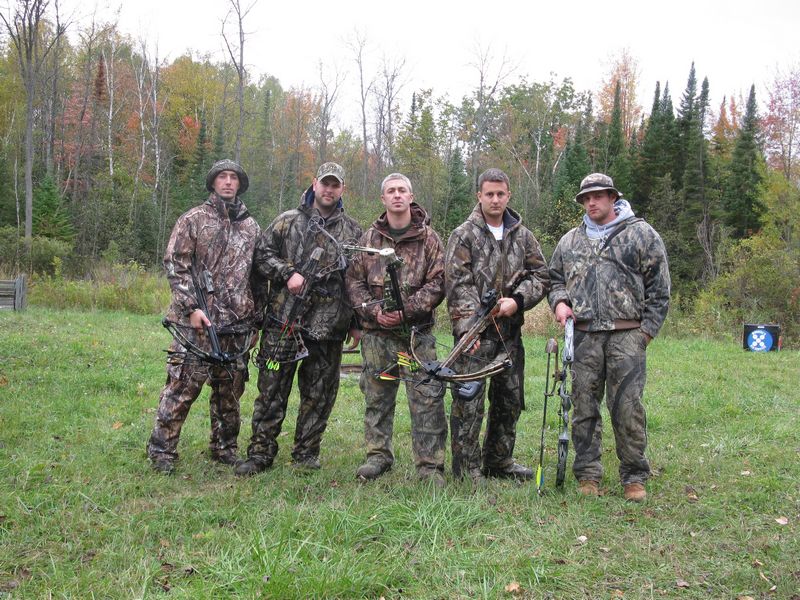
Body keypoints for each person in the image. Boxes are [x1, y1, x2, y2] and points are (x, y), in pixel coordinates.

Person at [548, 172, 670, 502]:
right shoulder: (569, 241)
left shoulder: (641, 234)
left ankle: (634, 476)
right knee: (583, 407)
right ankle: (588, 474)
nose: (592, 202)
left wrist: (645, 333)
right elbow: (554, 280)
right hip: (584, 337)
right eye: (586, 198)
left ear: (613, 197)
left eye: (598, 196)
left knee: (627, 408)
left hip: (627, 335)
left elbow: (660, 290)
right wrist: (559, 303)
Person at [235, 162, 362, 475]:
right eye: (325, 183)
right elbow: (261, 256)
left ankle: (306, 453)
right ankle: (260, 453)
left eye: (335, 185)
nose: (329, 190)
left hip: (328, 328)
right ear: (314, 184)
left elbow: (358, 279)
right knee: (271, 390)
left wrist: (356, 323)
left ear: (342, 189)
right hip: (284, 322)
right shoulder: (287, 221)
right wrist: (287, 272)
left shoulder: (352, 231)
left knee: (319, 395)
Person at [147, 159, 261, 474]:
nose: (228, 182)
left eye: (233, 177)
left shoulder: (251, 227)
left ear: (240, 184)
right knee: (182, 387)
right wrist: (191, 308)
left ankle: (224, 448)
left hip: (236, 325)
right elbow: (176, 264)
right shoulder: (194, 219)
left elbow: (256, 277)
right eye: (222, 177)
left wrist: (256, 321)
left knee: (230, 393)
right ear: (213, 182)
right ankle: (162, 451)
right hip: (195, 324)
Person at [445, 167, 550, 484]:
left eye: (500, 194)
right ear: (479, 195)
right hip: (475, 337)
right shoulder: (463, 235)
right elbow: (457, 283)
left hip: (510, 336)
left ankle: (499, 461)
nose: (495, 199)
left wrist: (517, 301)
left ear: (508, 195)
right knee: (469, 403)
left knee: (509, 401)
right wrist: (469, 327)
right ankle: (467, 469)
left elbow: (541, 275)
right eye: (489, 194)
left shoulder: (523, 235)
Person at [345, 173, 447, 487]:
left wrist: (407, 310)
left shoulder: (429, 239)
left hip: (416, 336)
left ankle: (429, 465)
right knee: (376, 397)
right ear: (383, 198)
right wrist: (374, 312)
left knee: (426, 398)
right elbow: (354, 281)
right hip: (377, 337)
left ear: (411, 196)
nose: (397, 195)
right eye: (391, 191)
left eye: (402, 190)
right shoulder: (369, 239)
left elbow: (439, 282)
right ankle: (378, 456)